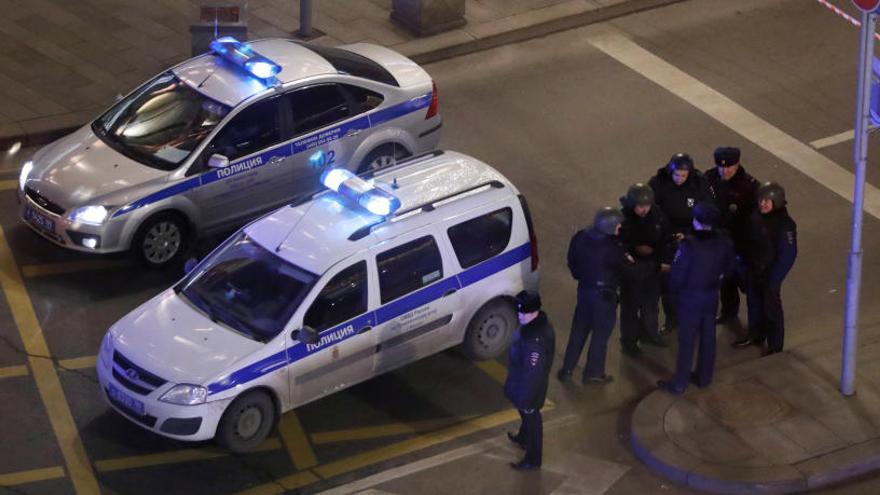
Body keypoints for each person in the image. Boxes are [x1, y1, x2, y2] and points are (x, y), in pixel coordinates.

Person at [657, 202, 735, 395]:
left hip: (690, 297)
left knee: (687, 340)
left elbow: (677, 274)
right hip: (711, 295)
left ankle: (680, 382)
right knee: (708, 337)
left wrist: (673, 291)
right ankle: (704, 377)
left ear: (697, 222)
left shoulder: (689, 246)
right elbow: (730, 267)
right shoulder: (724, 241)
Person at [559, 206, 630, 384]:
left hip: (584, 290)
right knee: (600, 335)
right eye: (618, 225)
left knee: (578, 330)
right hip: (604, 296)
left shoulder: (580, 237)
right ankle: (593, 373)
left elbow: (572, 263)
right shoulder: (612, 248)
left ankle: (567, 369)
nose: (620, 228)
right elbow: (625, 270)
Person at [648, 152, 714, 333]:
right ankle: (672, 319)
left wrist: (692, 235)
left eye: (683, 176)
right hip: (666, 236)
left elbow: (708, 211)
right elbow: (651, 209)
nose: (679, 179)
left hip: (692, 236)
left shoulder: (699, 184)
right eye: (676, 174)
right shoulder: (658, 183)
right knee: (668, 285)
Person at [732, 182, 797, 355]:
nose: (763, 204)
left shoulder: (785, 225)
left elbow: (787, 256)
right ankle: (756, 334)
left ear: (777, 202)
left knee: (772, 310)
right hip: (754, 269)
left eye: (767, 201)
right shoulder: (756, 216)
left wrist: (774, 279)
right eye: (761, 200)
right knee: (753, 304)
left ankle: (775, 346)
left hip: (770, 274)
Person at [705, 146, 760, 323]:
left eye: (729, 167)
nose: (725, 170)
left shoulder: (749, 186)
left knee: (749, 286)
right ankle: (729, 313)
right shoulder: (710, 177)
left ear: (737, 165)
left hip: (740, 243)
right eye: (722, 167)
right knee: (726, 282)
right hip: (719, 241)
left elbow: (755, 220)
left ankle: (756, 326)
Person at [618, 183, 672, 357]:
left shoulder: (658, 216)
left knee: (650, 305)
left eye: (647, 206)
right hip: (632, 272)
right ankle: (629, 342)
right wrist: (634, 249)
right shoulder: (622, 220)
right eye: (640, 206)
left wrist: (664, 260)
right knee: (630, 308)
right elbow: (618, 245)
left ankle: (649, 333)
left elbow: (666, 240)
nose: (644, 210)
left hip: (653, 269)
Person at [504, 290, 555, 471]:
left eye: (524, 313)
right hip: (520, 381)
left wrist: (525, 397)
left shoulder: (536, 340)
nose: (520, 316)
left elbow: (533, 373)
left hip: (530, 388)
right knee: (525, 414)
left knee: (532, 419)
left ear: (535, 312)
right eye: (519, 312)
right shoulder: (530, 325)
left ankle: (533, 459)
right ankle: (524, 438)